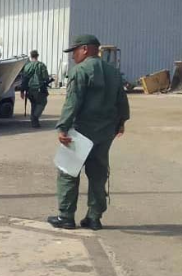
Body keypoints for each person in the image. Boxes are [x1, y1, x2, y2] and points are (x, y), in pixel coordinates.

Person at [48, 35, 130, 231]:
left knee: (68, 172)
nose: (73, 56)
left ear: (85, 49)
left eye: (74, 51)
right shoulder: (113, 72)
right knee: (98, 175)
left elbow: (73, 101)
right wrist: (121, 122)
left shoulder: (80, 71)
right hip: (105, 133)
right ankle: (94, 218)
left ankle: (66, 217)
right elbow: (122, 99)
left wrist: (63, 127)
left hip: (81, 132)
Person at [20, 50, 51, 128]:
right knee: (42, 103)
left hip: (30, 90)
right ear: (37, 56)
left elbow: (24, 79)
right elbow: (46, 78)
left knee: (33, 105)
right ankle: (34, 117)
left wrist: (22, 91)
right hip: (39, 89)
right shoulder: (41, 65)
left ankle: (34, 122)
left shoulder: (27, 66)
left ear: (31, 56)